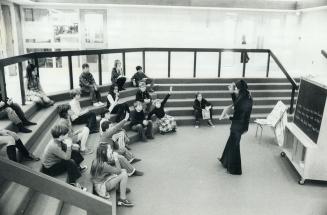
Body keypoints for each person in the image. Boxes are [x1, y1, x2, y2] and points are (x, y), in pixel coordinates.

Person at [219, 80, 253, 175]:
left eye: (236, 88)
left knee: (234, 146)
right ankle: (225, 161)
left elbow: (239, 115)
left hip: (238, 126)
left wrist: (228, 117)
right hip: (239, 124)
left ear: (240, 89)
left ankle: (235, 170)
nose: (236, 90)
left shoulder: (244, 100)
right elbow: (237, 103)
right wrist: (232, 94)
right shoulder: (245, 96)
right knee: (231, 143)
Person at [41, 124, 87, 190]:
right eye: (66, 134)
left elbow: (63, 148)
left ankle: (77, 168)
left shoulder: (57, 140)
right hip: (50, 169)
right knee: (70, 162)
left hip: (57, 160)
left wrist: (71, 146)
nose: (67, 135)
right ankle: (72, 183)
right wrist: (69, 146)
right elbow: (67, 158)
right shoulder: (54, 146)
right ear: (61, 136)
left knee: (75, 152)